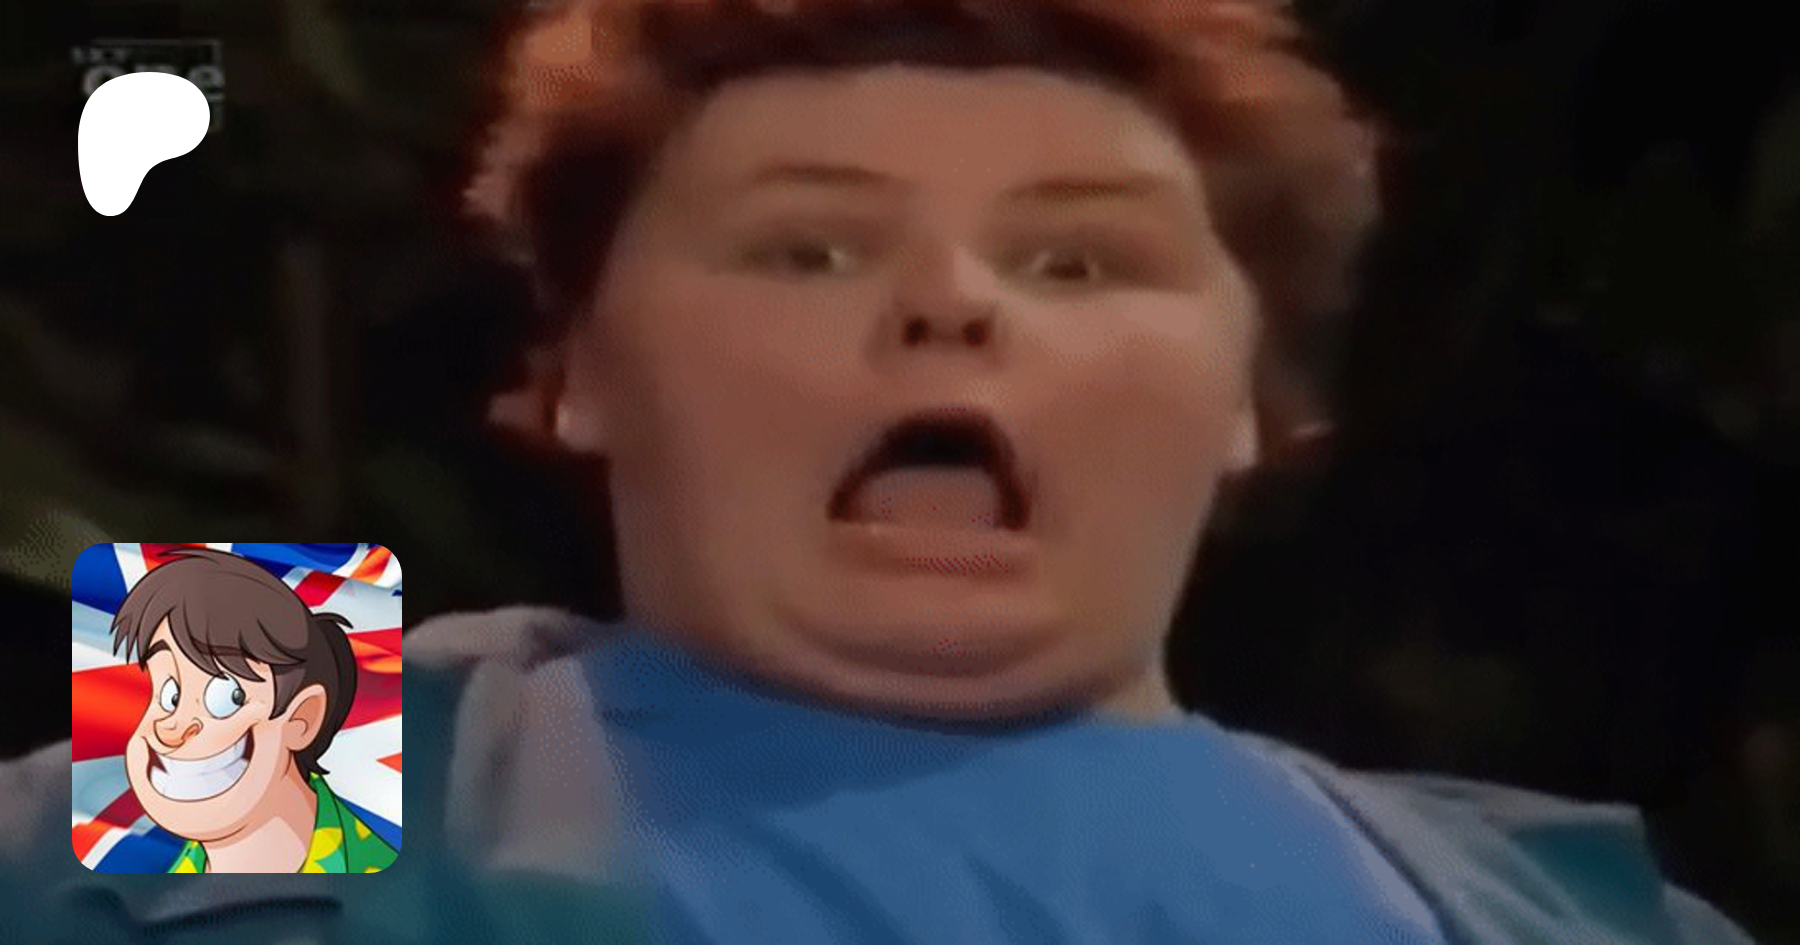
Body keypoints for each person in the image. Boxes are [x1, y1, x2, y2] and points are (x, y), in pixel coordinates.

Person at [0, 0, 1759, 941]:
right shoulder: (268, 726)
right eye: (810, 248)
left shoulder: (1559, 910)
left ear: (1249, 400)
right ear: (584, 372)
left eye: (1077, 259)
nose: (948, 304)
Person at [106, 548, 397, 874]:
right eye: (170, 696)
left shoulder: (381, 875)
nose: (172, 728)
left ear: (302, 719)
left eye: (227, 697)